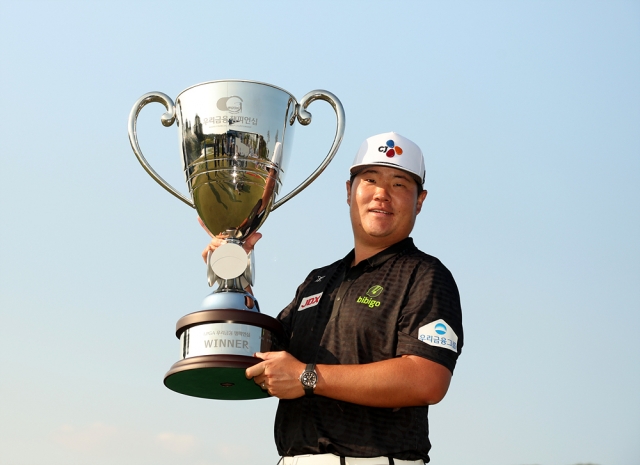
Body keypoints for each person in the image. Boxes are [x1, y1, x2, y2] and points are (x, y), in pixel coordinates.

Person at [201, 132, 463, 465]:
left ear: (420, 201)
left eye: (399, 185)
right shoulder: (318, 280)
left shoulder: (425, 275)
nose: (382, 194)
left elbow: (427, 379)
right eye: (370, 180)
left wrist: (308, 377)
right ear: (349, 192)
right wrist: (234, 275)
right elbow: (266, 355)